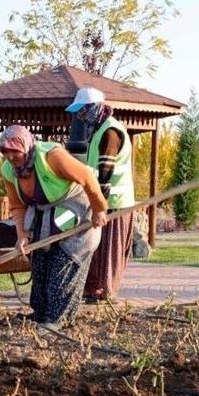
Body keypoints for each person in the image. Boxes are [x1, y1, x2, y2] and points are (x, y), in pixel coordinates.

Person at [0, 125, 108, 325]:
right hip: (46, 215)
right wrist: (22, 234)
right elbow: (17, 206)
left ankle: (58, 319)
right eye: (5, 151)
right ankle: (40, 314)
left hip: (77, 210)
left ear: (26, 146)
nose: (10, 157)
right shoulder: (8, 170)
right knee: (41, 262)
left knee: (63, 262)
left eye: (15, 151)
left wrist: (99, 208)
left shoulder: (51, 156)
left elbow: (87, 177)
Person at [66, 87, 136, 303]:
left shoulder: (110, 132)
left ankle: (105, 291)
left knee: (109, 249)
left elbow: (105, 172)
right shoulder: (98, 130)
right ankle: (93, 287)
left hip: (115, 202)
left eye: (83, 111)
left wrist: (99, 206)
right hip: (103, 200)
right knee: (95, 245)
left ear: (94, 108)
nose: (80, 116)